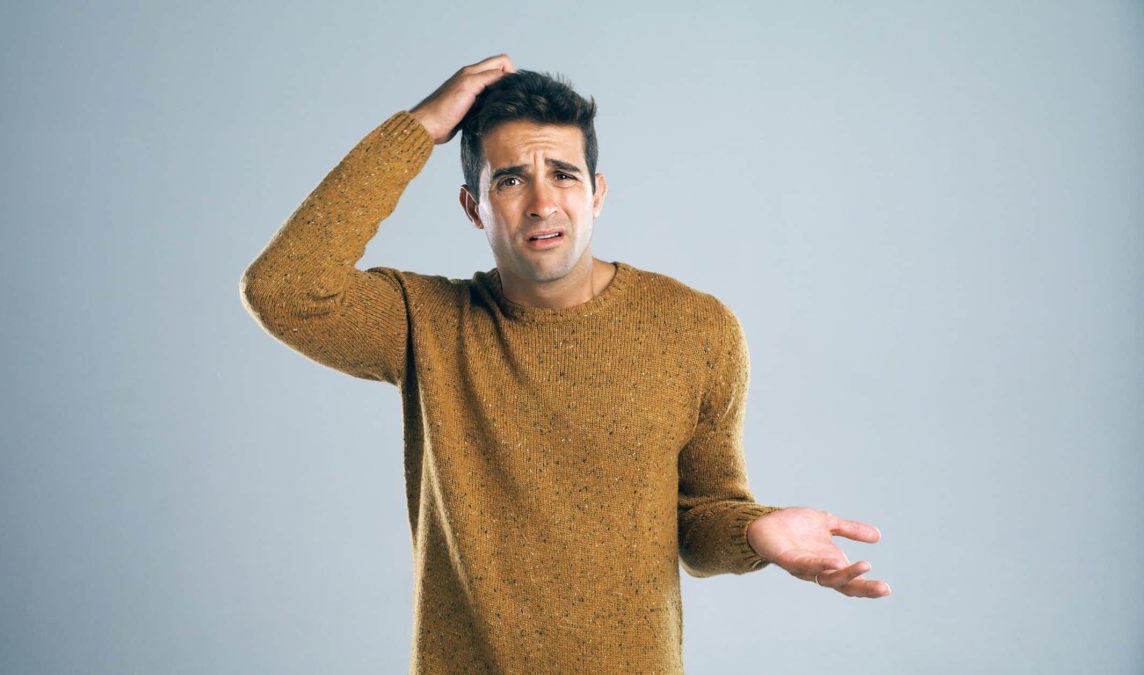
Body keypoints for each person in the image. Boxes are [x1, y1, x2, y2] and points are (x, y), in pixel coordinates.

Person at [240, 53, 890, 674]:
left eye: (564, 174)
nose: (543, 203)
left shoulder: (696, 328)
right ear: (475, 207)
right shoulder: (425, 323)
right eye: (511, 179)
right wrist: (420, 128)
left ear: (597, 193)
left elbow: (700, 517)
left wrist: (756, 530)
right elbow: (285, 286)